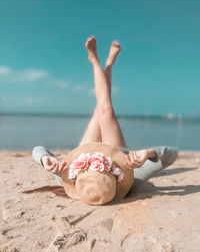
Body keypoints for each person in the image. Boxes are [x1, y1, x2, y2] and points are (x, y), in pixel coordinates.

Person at [32, 37, 177, 203]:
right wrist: (148, 153)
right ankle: (102, 62)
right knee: (105, 108)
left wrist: (44, 160)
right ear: (116, 179)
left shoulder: (66, 174)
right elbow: (171, 154)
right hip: (116, 151)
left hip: (85, 149)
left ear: (77, 176)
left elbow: (37, 149)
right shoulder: (134, 177)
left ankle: (97, 61)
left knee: (101, 106)